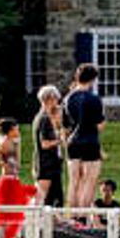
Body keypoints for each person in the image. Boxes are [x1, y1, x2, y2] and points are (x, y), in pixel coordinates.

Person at [63, 63, 105, 211]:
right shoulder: (94, 99)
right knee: (89, 182)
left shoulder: (68, 99)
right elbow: (99, 125)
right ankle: (83, 218)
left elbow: (65, 126)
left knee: (73, 181)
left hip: (72, 143)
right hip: (90, 141)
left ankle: (73, 218)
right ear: (92, 79)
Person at [31, 84, 65, 209]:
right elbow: (44, 144)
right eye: (56, 99)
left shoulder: (46, 118)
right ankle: (31, 224)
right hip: (45, 164)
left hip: (52, 164)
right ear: (49, 99)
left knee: (54, 198)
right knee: (41, 197)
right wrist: (60, 141)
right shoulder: (43, 119)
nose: (57, 103)